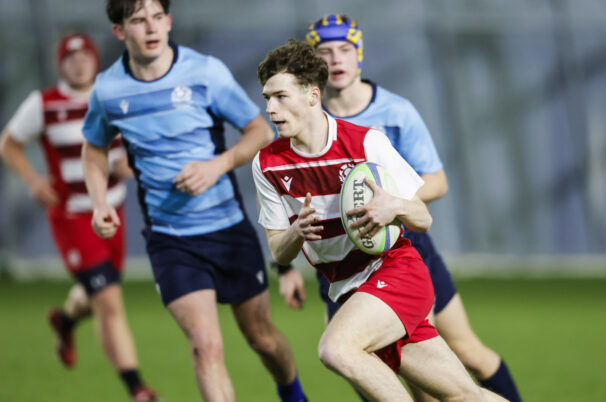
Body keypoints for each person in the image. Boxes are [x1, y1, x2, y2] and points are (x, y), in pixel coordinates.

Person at [254, 38, 507, 402]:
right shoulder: (266, 164)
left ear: (312, 95)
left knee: (336, 348)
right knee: (464, 395)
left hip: (396, 272)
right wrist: (296, 232)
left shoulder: (365, 143)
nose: (270, 108)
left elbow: (422, 218)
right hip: (348, 289)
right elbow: (279, 251)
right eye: (267, 98)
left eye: (281, 96)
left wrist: (394, 206)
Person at [81, 1, 307, 401]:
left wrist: (217, 166)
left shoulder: (205, 72)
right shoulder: (108, 89)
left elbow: (259, 131)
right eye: (138, 20)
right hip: (170, 239)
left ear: (168, 21)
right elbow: (94, 149)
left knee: (262, 339)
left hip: (228, 230)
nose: (151, 28)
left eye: (157, 17)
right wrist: (100, 203)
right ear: (119, 31)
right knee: (205, 345)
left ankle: (293, 395)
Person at [0, 32, 159, 402]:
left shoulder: (111, 95)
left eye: (84, 56)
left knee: (99, 291)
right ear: (61, 64)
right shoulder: (44, 104)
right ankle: (138, 389)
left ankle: (65, 320)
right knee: (109, 300)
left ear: (95, 60)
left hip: (113, 211)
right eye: (70, 58)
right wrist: (32, 180)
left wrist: (128, 162)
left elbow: (132, 144)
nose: (79, 64)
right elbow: (8, 143)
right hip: (73, 217)